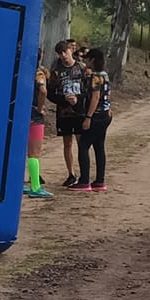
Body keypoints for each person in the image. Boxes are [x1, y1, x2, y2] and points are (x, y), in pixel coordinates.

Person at [49, 39, 91, 189]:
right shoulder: (56, 71)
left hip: (79, 112)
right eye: (60, 54)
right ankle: (71, 173)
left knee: (82, 143)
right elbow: (50, 93)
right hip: (64, 113)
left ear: (71, 51)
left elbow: (89, 91)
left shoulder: (82, 68)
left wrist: (78, 99)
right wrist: (63, 100)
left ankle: (84, 174)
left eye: (65, 52)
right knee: (67, 143)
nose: (63, 56)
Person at [77, 47, 115, 192]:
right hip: (105, 114)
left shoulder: (95, 77)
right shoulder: (105, 75)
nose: (85, 62)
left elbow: (96, 97)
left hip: (96, 116)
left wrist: (88, 117)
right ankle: (99, 180)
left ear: (92, 60)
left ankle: (84, 181)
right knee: (99, 147)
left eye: (87, 59)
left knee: (83, 145)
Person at [25, 51, 54, 198]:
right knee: (34, 153)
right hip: (35, 116)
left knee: (19, 151)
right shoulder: (38, 74)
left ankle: (18, 183)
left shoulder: (20, 73)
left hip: (20, 114)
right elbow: (43, 91)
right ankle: (35, 187)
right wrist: (40, 108)